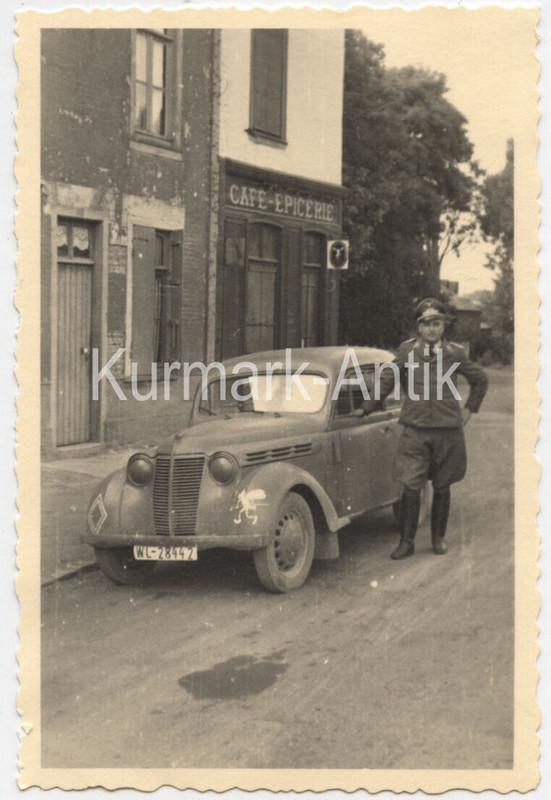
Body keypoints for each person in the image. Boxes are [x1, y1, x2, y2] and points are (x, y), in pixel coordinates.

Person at [359, 297, 488, 560]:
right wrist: (366, 408)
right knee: (410, 486)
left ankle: (438, 539)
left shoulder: (455, 353)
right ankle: (406, 542)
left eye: (436, 323)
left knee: (442, 486)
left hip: (447, 430)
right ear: (419, 327)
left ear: (443, 326)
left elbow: (480, 380)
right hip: (415, 430)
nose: (431, 329)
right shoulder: (407, 352)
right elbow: (387, 379)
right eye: (426, 324)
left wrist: (468, 410)